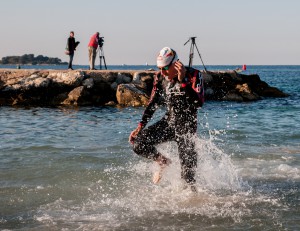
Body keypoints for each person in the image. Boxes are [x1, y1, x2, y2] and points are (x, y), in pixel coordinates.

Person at [129, 47, 204, 190]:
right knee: (138, 144)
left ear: (176, 64)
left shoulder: (194, 75)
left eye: (165, 68)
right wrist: (140, 126)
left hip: (186, 129)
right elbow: (152, 104)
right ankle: (163, 161)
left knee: (188, 181)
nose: (162, 72)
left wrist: (183, 82)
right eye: (160, 68)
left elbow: (198, 103)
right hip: (168, 124)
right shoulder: (160, 77)